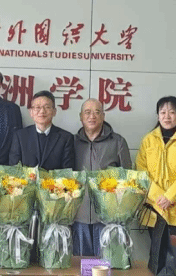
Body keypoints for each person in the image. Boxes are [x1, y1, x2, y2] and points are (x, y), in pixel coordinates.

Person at [72, 98, 132, 256]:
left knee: (106, 262)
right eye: (87, 112)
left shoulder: (118, 142)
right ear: (80, 116)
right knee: (81, 263)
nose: (92, 116)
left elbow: (128, 179)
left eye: (97, 112)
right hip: (79, 215)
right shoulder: (72, 142)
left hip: (108, 217)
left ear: (103, 116)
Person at [136, 96, 176, 238]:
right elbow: (141, 172)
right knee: (156, 250)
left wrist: (170, 197)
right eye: (162, 112)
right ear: (158, 116)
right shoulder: (148, 140)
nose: (167, 116)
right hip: (154, 206)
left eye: (171, 112)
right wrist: (158, 197)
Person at [8, 90, 75, 170]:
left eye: (47, 107)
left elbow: (67, 172)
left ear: (54, 111)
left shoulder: (66, 138)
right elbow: (14, 169)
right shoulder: (20, 136)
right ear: (31, 112)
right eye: (38, 107)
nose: (42, 111)